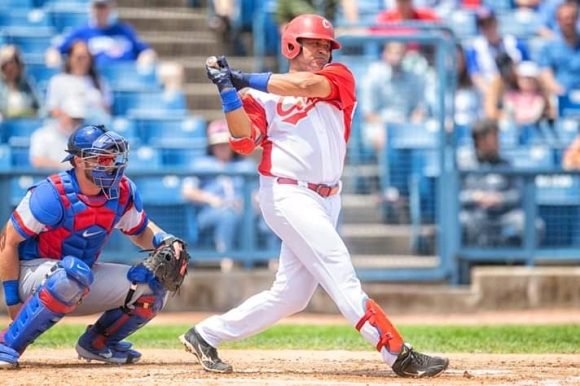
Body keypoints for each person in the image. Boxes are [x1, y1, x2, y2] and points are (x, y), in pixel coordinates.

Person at [179, 14, 448, 378]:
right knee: (339, 267)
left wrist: (243, 78)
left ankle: (205, 334)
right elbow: (243, 142)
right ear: (292, 45)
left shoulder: (338, 77)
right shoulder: (257, 96)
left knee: (292, 295)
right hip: (286, 194)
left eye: (326, 45)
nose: (322, 51)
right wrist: (229, 92)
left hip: (327, 197)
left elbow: (304, 84)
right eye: (314, 44)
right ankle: (397, 353)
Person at [0, 125, 189, 368]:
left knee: (152, 283)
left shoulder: (120, 192)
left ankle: (98, 344)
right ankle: (8, 344)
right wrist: (13, 302)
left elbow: (140, 230)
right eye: (101, 158)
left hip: (81, 277)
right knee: (71, 275)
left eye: (112, 158)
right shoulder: (52, 193)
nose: (109, 164)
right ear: (78, 161)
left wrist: (165, 240)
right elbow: (7, 241)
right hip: (33, 273)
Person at [182, 119, 255, 254]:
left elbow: (258, 192)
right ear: (211, 146)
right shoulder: (201, 164)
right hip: (210, 211)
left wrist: (248, 202)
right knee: (228, 215)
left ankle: (271, 261)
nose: (222, 147)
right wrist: (211, 199)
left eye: (225, 144)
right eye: (218, 144)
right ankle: (226, 259)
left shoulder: (245, 165)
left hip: (243, 209)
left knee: (265, 218)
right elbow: (188, 191)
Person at [458, 119, 529, 247]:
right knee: (459, 221)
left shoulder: (506, 165)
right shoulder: (464, 165)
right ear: (479, 140)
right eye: (493, 138)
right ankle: (466, 260)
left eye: (497, 137)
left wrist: (501, 198)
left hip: (503, 215)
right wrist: (475, 197)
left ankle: (519, 260)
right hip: (475, 215)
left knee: (527, 223)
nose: (497, 142)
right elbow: (454, 195)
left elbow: (518, 194)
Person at [360, 42, 427, 150]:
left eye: (399, 53)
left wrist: (414, 121)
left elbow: (419, 108)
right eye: (392, 52)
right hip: (380, 125)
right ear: (384, 54)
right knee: (381, 136)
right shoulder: (373, 77)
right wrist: (390, 124)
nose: (396, 57)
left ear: (405, 55)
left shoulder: (414, 77)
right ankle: (386, 167)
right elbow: (368, 114)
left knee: (422, 132)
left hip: (406, 124)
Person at [46, 40, 112, 126]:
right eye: (78, 57)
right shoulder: (58, 81)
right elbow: (52, 109)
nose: (82, 61)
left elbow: (107, 109)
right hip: (66, 129)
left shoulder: (100, 82)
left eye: (85, 57)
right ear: (70, 58)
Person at [30, 98, 86, 169]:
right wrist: (65, 167)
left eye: (79, 119)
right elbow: (37, 161)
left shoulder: (83, 138)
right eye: (73, 118)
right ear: (62, 114)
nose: (76, 122)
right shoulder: (42, 134)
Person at [538, 1, 580, 96]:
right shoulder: (549, 47)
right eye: (565, 18)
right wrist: (558, 90)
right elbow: (545, 73)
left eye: (572, 18)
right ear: (557, 20)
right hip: (561, 95)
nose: (569, 22)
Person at [0, 45, 39, 119]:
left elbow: (39, 108)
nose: (9, 67)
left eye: (12, 62)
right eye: (5, 64)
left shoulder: (27, 84)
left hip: (26, 125)